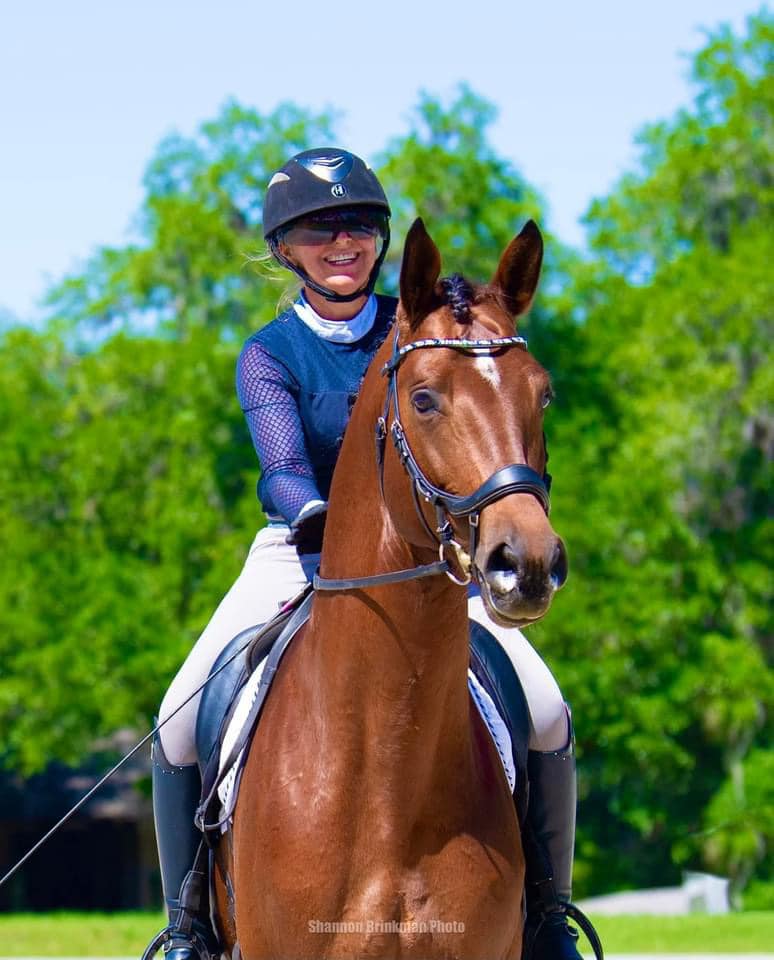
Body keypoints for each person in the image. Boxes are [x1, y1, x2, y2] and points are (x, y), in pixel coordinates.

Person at [146, 148, 596, 960]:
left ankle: (547, 919)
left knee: (548, 712)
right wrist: (313, 513)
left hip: (435, 553)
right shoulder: (270, 353)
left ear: (382, 239)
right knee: (178, 720)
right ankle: (189, 930)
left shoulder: (423, 329)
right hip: (301, 549)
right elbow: (282, 467)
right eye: (318, 229)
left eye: (358, 224)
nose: (342, 241)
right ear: (285, 248)